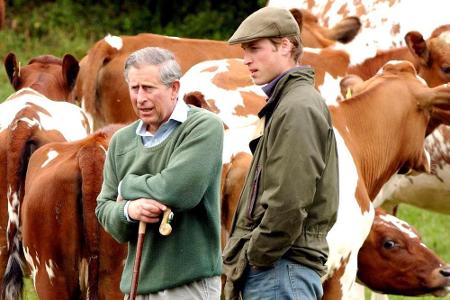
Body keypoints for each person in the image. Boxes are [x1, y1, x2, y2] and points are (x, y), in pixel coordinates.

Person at [222, 7, 339, 300]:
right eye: (244, 50)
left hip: (280, 271)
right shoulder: (288, 103)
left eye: (254, 48)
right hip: (280, 270)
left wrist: (256, 254)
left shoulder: (297, 107)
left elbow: (289, 200)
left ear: (285, 45)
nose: (246, 59)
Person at [96, 47, 224, 299]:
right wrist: (128, 211)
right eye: (134, 88)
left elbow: (177, 191)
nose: (140, 98)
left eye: (149, 88)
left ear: (174, 88)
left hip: (190, 285)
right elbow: (104, 209)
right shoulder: (122, 141)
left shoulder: (203, 127)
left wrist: (126, 187)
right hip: (137, 286)